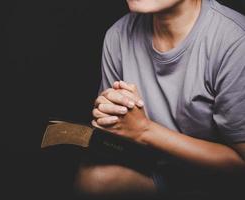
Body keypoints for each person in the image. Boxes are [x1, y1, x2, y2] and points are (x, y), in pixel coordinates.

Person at [74, 0, 245, 199]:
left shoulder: (234, 41)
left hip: (222, 186)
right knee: (93, 181)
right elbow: (117, 140)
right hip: (160, 173)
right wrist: (109, 119)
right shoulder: (118, 35)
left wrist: (145, 130)